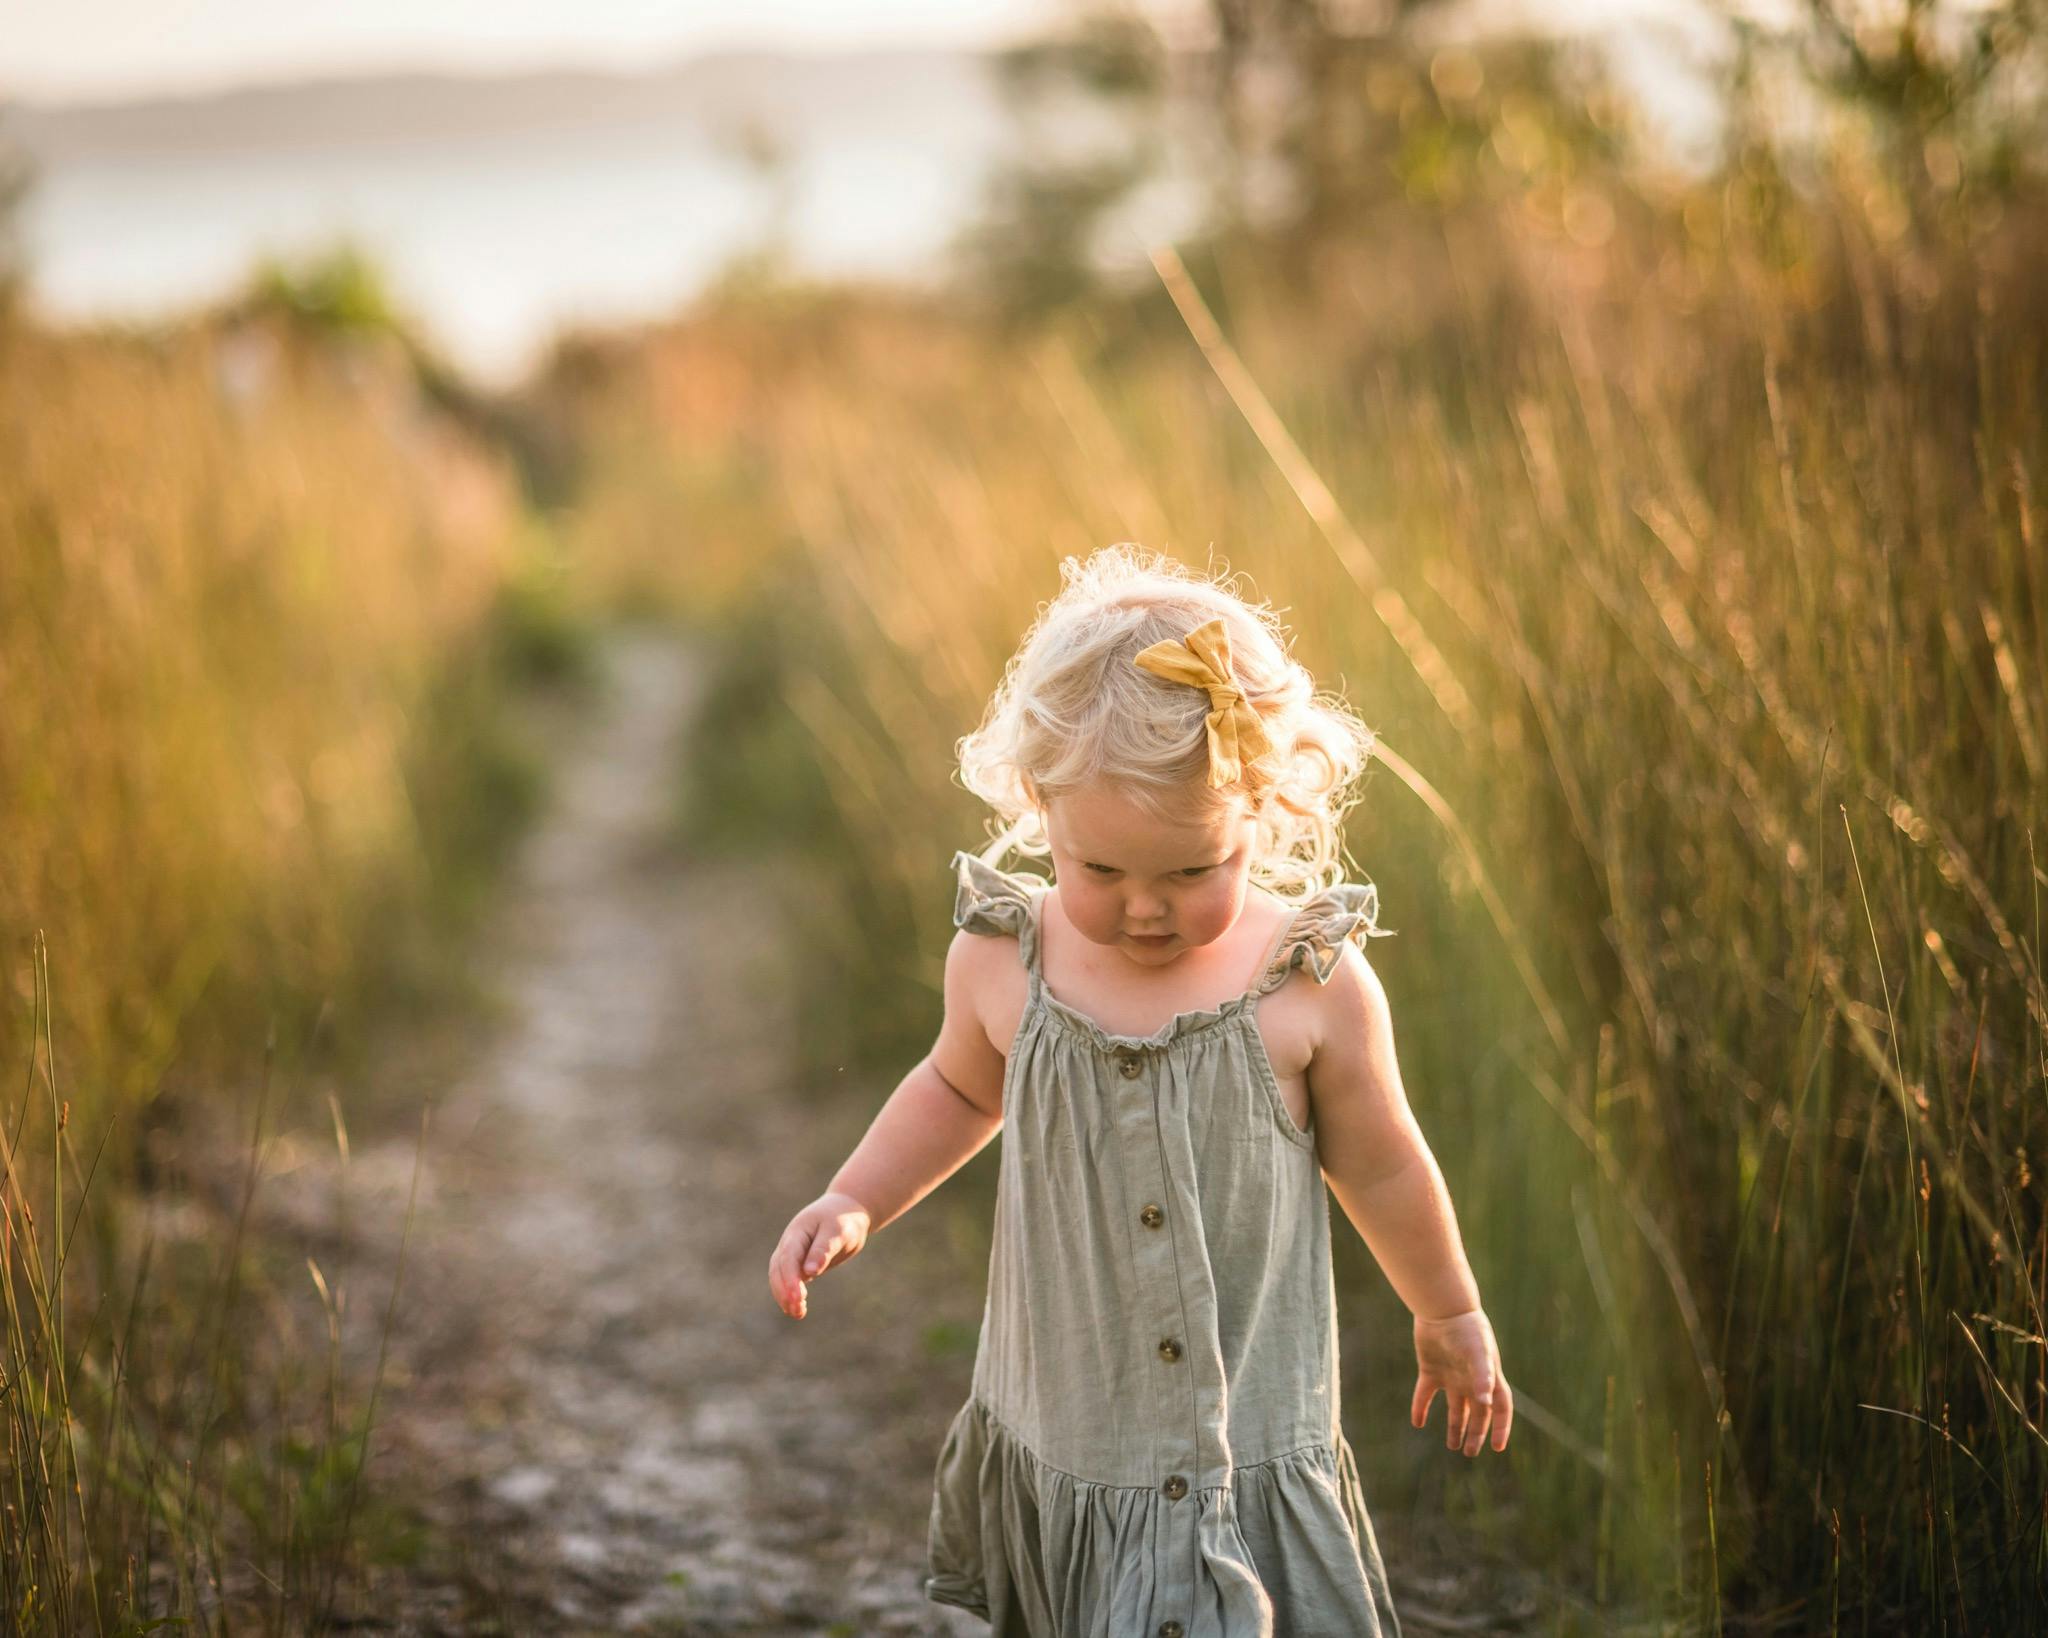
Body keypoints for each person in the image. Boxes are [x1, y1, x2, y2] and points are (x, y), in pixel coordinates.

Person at [767, 544, 1511, 1636]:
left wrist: (1446, 1308)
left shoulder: (1306, 987)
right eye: (1100, 871)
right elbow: (954, 1090)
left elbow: (1383, 1156)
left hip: (1245, 1432)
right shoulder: (1002, 962)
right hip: (1080, 1426)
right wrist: (855, 1197)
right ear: (1039, 812)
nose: (1142, 910)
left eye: (1190, 872)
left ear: (1260, 814)